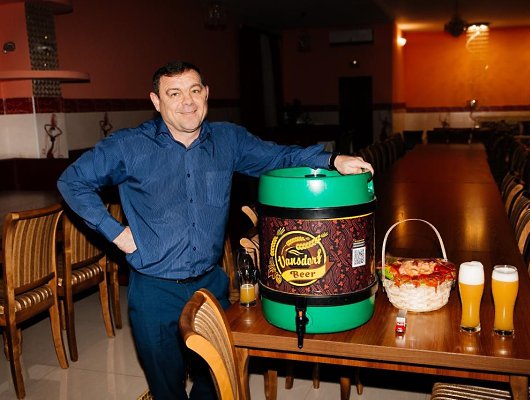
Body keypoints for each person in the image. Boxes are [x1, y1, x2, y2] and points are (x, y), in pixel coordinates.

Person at [57, 60, 374, 400]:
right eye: (174, 93)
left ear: (206, 94)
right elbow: (72, 182)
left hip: (210, 284)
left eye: (194, 91)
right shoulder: (128, 146)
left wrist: (333, 160)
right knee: (166, 384)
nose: (187, 102)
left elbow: (279, 157)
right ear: (156, 101)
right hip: (154, 290)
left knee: (216, 373)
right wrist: (118, 234)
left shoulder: (228, 139)